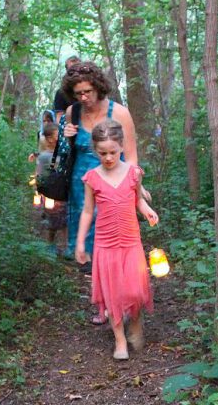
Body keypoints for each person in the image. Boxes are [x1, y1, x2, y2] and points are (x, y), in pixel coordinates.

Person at [58, 60, 143, 324]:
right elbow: (62, 153)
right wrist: (66, 135)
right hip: (82, 187)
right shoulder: (73, 112)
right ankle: (104, 302)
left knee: (116, 247)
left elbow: (131, 157)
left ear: (98, 87)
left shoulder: (119, 113)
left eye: (88, 92)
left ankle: (124, 300)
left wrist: (138, 191)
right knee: (94, 249)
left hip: (116, 190)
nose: (84, 98)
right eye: (78, 93)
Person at [75, 120, 158, 360]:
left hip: (131, 241)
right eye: (102, 153)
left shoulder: (133, 173)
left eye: (113, 152)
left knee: (135, 291)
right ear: (95, 151)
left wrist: (147, 210)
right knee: (113, 296)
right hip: (106, 244)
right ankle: (120, 341)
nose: (108, 157)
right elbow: (88, 211)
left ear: (121, 146)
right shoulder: (92, 178)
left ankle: (135, 323)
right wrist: (81, 242)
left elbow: (137, 199)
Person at [35, 123, 68, 257]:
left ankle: (67, 247)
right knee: (52, 220)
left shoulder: (64, 154)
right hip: (50, 194)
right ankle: (50, 244)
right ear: (49, 139)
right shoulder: (44, 157)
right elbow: (39, 175)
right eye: (57, 135)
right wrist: (40, 193)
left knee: (66, 219)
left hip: (63, 192)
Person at [53, 55, 81, 123]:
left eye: (78, 68)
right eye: (72, 70)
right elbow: (59, 116)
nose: (75, 73)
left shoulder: (90, 89)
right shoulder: (61, 93)